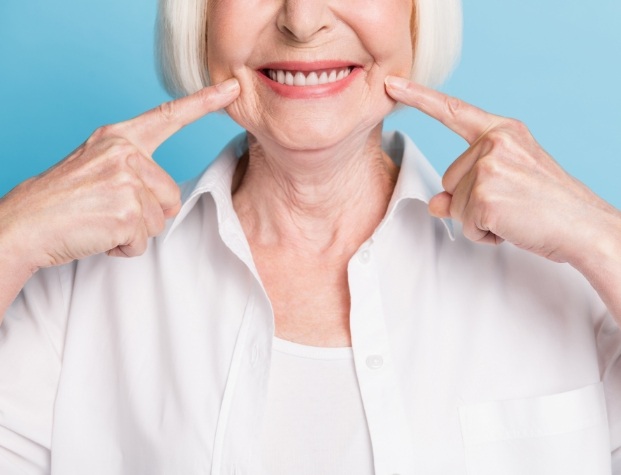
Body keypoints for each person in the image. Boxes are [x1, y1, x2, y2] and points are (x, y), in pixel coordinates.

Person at [1, 0, 620, 473]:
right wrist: (13, 231)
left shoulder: (578, 279)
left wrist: (600, 236)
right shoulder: (70, 296)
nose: (300, 21)